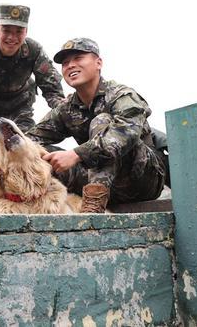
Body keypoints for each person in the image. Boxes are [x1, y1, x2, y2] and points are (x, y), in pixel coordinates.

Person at [27, 38, 166, 213]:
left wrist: (76, 154)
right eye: (65, 63)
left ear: (98, 63)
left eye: (78, 59)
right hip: (102, 185)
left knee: (102, 121)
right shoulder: (67, 109)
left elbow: (125, 134)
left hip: (141, 181)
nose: (70, 65)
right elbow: (30, 139)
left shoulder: (121, 95)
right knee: (37, 150)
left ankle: (93, 207)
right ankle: (41, 207)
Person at [0, 4, 65, 213]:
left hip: (20, 108)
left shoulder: (33, 50)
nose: (12, 37)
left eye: (18, 32)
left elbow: (52, 88)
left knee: (30, 149)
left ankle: (36, 198)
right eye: (6, 31)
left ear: (26, 33)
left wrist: (65, 113)